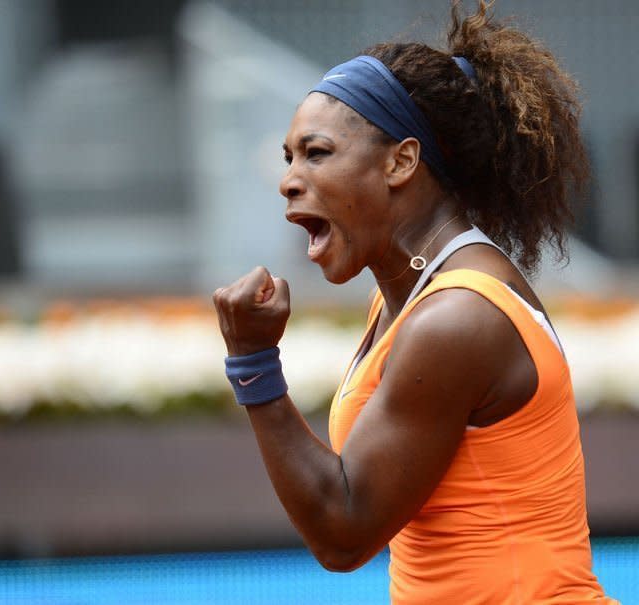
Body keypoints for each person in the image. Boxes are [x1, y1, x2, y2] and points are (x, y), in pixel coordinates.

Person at [213, 1, 618, 603]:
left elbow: (344, 531)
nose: (289, 179)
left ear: (401, 161)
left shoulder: (457, 318)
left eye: (316, 152)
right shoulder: (409, 295)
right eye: (289, 157)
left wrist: (253, 362)